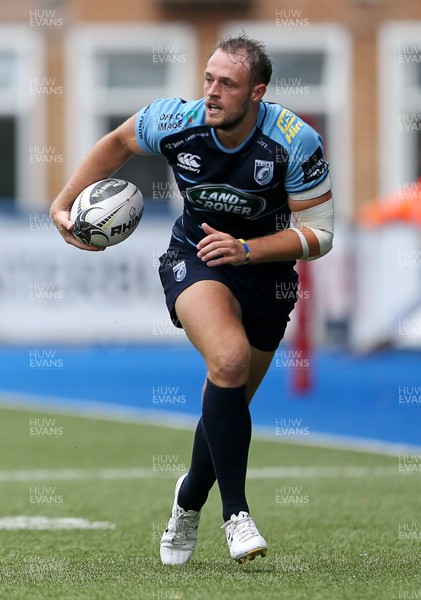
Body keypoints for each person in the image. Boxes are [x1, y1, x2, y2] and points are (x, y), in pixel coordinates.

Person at [50, 33, 333, 565]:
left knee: (229, 401)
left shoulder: (296, 142)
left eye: (227, 83)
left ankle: (187, 501)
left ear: (257, 93)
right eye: (209, 78)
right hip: (194, 257)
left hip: (266, 273)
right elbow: (116, 143)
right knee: (226, 361)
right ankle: (237, 516)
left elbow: (320, 234)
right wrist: (63, 204)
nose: (212, 91)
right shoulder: (175, 120)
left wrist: (247, 249)